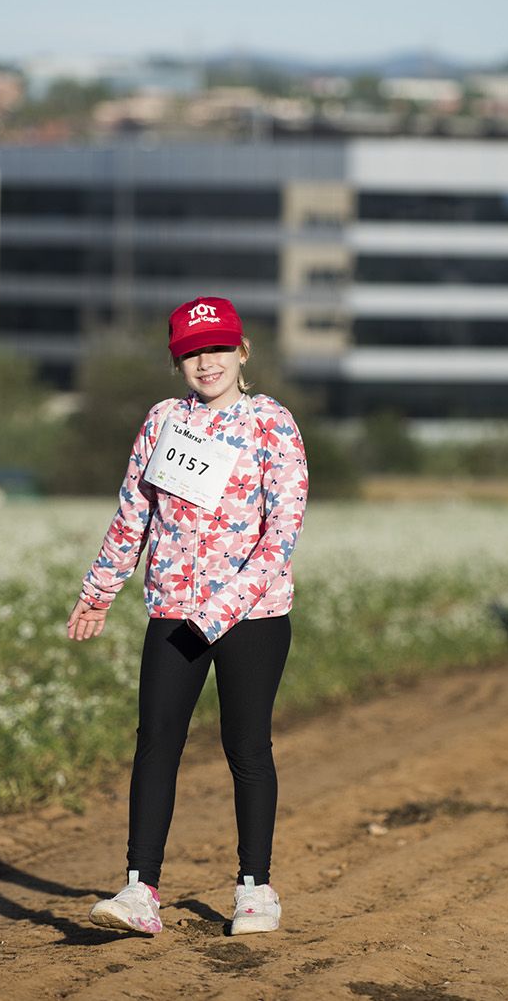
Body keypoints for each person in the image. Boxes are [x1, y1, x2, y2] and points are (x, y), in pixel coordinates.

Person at [67, 297, 308, 939]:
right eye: (192, 353)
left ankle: (255, 889)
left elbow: (282, 532)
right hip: (173, 613)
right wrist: (101, 589)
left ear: (243, 351)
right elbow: (134, 513)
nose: (206, 362)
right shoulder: (164, 420)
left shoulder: (273, 424)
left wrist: (221, 611)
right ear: (178, 362)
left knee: (247, 747)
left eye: (218, 349)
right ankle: (140, 889)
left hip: (252, 616)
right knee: (157, 744)